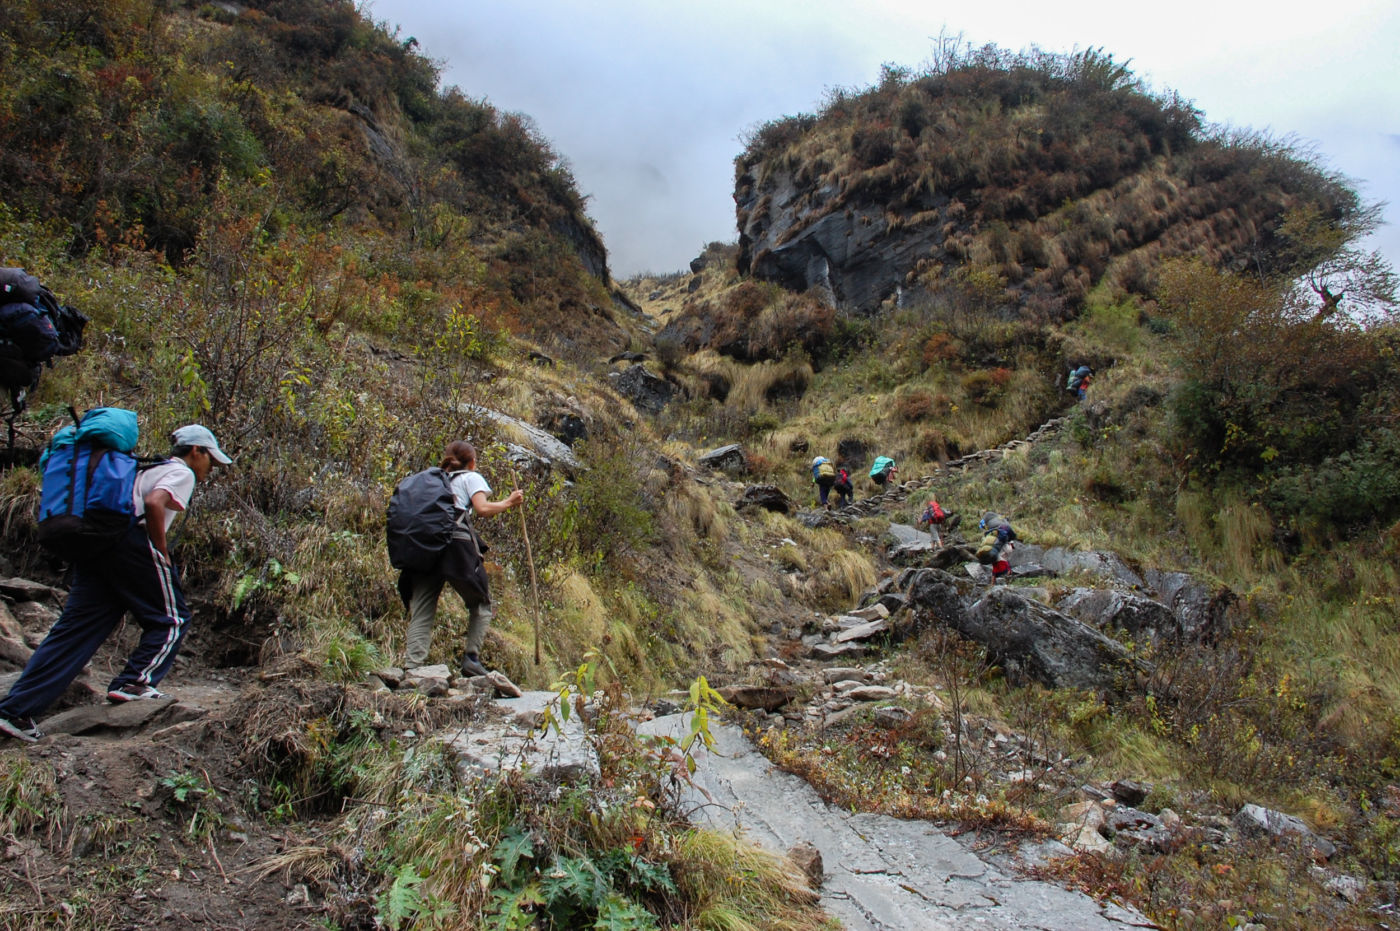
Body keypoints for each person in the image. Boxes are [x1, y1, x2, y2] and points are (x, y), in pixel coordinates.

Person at [0, 425, 232, 742]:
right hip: (132, 543)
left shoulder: (146, 466)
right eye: (211, 461)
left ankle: (14, 711)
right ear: (196, 451)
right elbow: (153, 503)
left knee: (74, 633)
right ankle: (134, 681)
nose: (211, 469)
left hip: (98, 546)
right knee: (173, 618)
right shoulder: (181, 472)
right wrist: (161, 551)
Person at [398, 441, 522, 677]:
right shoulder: (470, 477)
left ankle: (412, 668)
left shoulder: (433, 481)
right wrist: (509, 502)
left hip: (426, 547)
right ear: (472, 462)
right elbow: (482, 508)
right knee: (481, 603)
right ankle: (471, 659)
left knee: (423, 607)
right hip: (455, 545)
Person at [976, 512, 1017, 583]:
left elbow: (986, 532)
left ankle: (999, 580)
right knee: (1003, 561)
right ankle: (1006, 578)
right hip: (1006, 545)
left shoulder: (990, 525)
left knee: (998, 562)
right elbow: (1012, 535)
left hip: (997, 546)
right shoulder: (1003, 522)